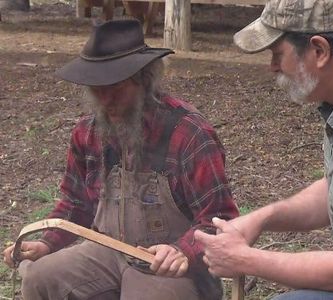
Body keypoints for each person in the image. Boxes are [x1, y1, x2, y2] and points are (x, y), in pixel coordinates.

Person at [3, 19, 239, 300]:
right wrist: (46, 244)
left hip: (170, 267)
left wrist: (181, 250)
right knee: (39, 277)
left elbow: (220, 220)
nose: (104, 101)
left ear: (144, 80)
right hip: (108, 250)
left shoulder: (188, 134)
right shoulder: (86, 133)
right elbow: (76, 203)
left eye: (114, 89)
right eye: (96, 89)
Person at [194, 0, 333, 299]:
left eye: (278, 54)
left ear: (319, 51)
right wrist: (262, 218)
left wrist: (244, 259)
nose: (272, 66)